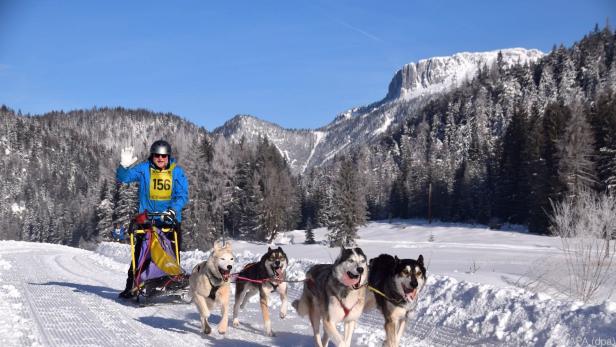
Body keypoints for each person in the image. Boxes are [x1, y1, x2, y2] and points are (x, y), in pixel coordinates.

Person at [116, 140, 189, 298]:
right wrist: (123, 166)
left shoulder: (176, 172)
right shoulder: (144, 169)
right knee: (140, 254)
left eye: (164, 156)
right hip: (147, 220)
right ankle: (132, 286)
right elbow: (124, 179)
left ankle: (172, 285)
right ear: (152, 155)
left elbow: (182, 195)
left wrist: (173, 210)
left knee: (171, 254)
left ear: (168, 156)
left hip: (169, 220)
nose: (160, 159)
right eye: (157, 155)